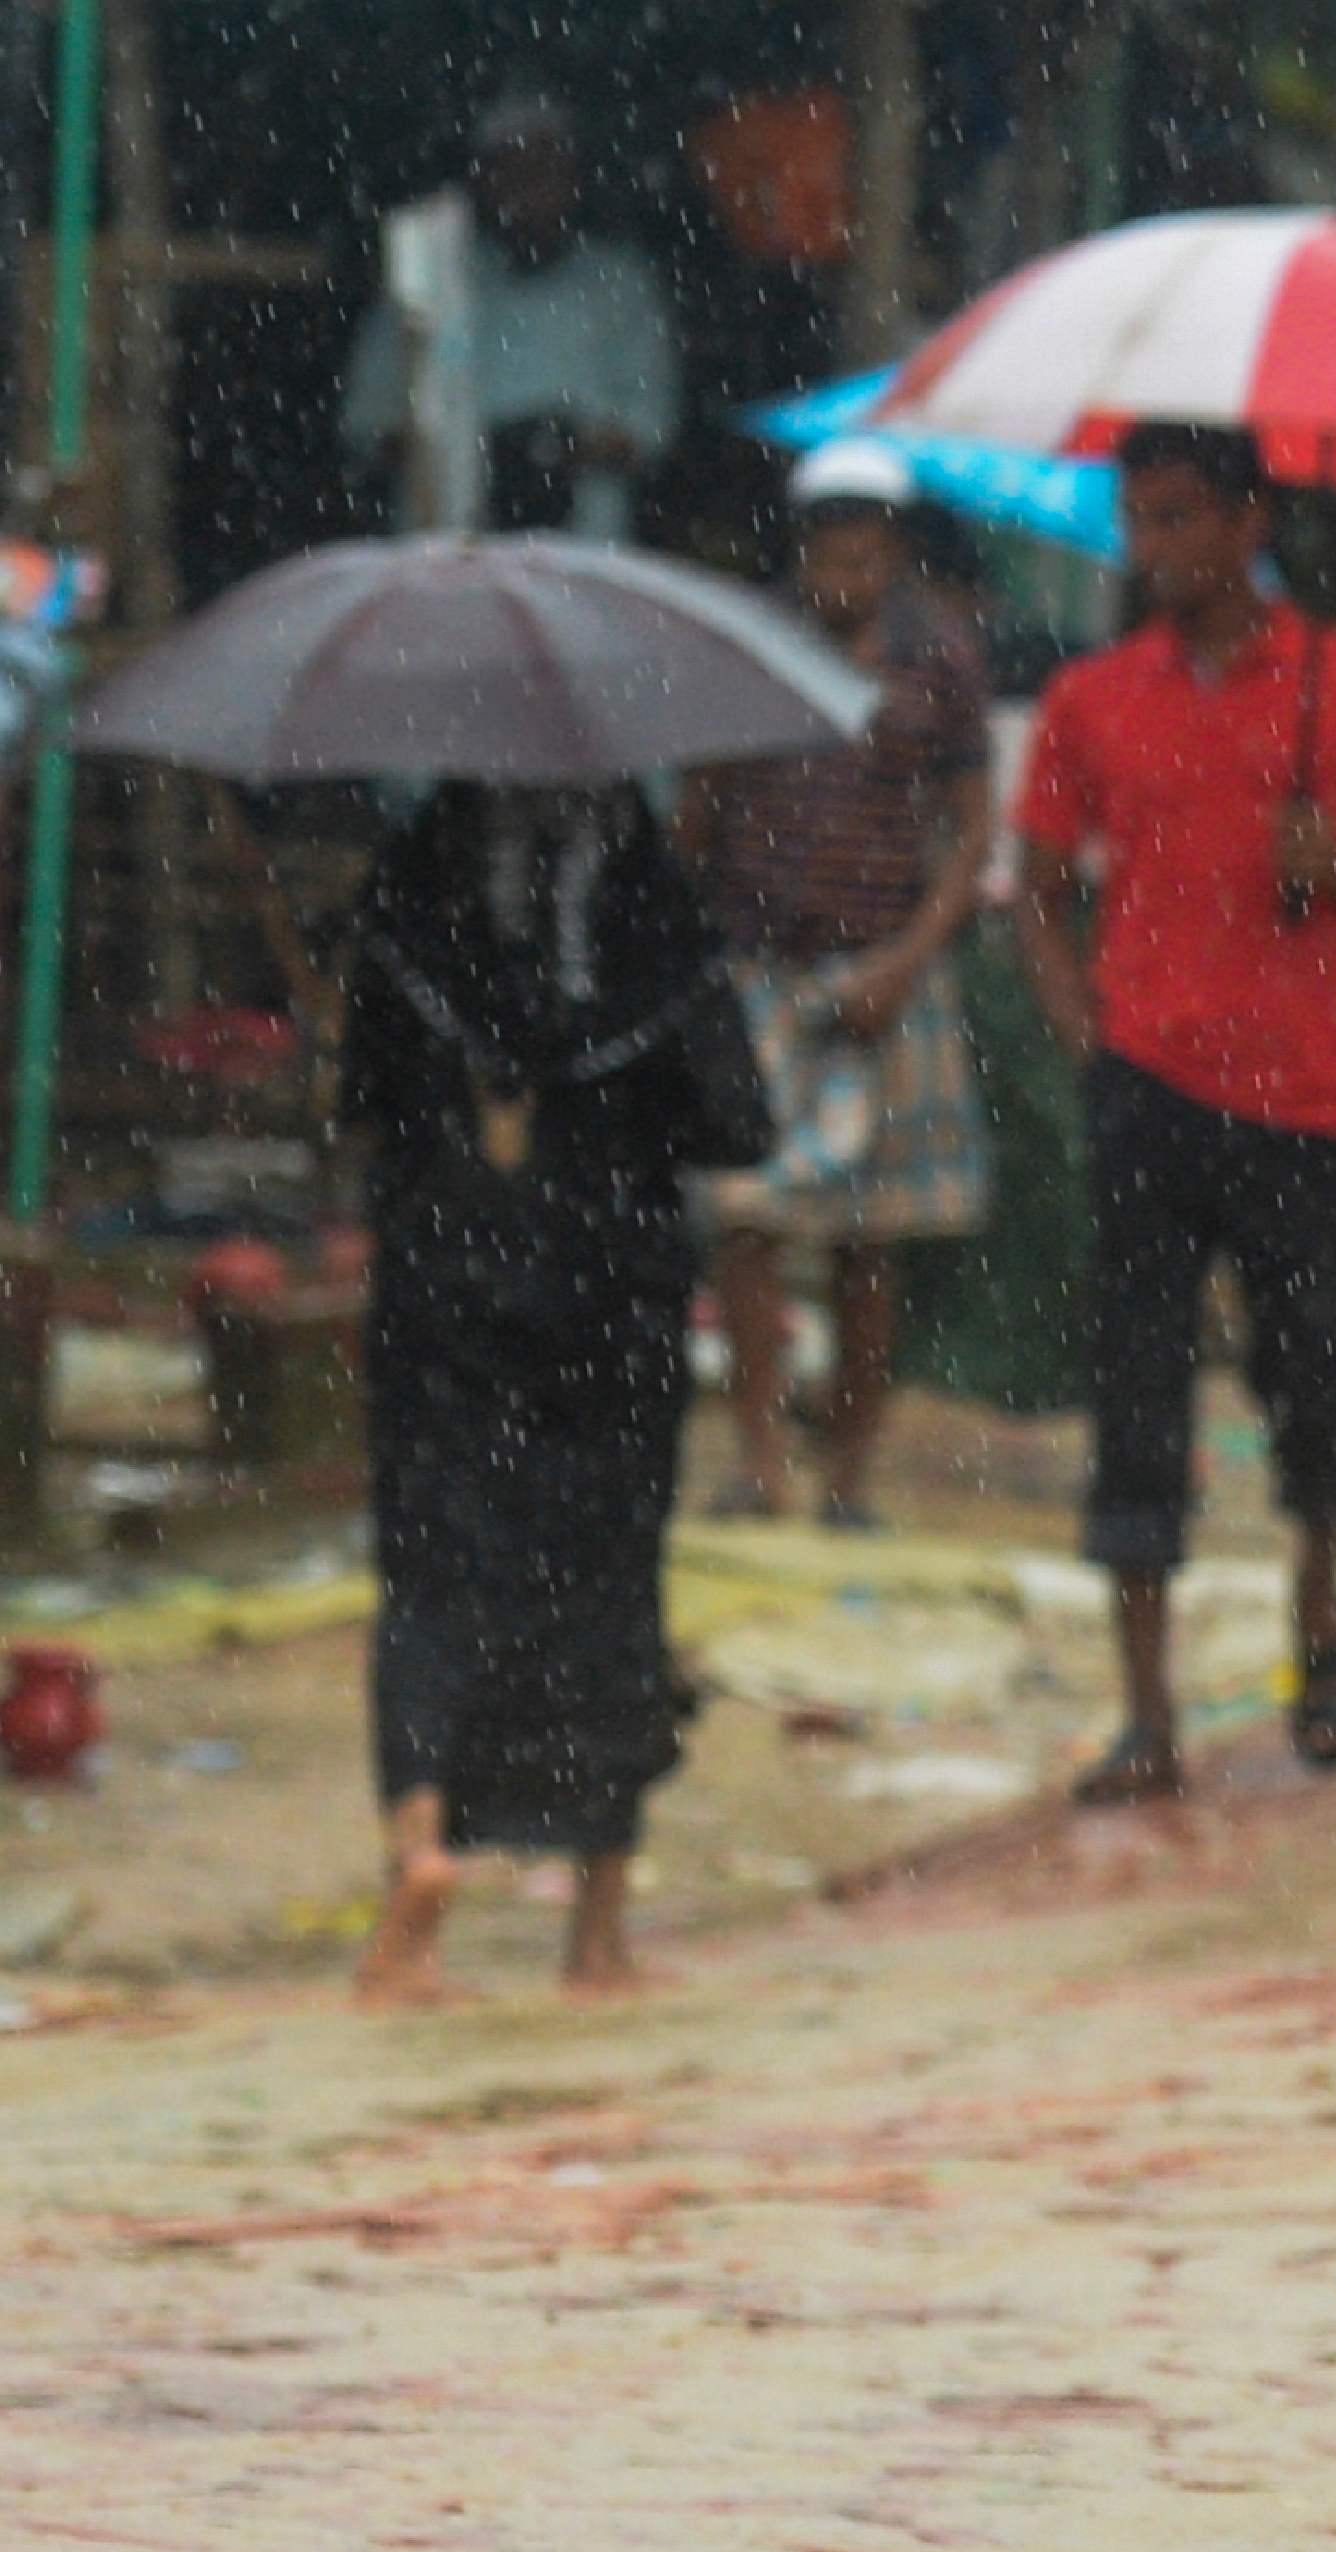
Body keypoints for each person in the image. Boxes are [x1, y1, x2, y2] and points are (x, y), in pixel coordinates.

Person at [1014, 423, 1336, 1803]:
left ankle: (1319, 1601)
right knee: (1134, 1390)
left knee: (1318, 1376)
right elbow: (1034, 881)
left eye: (1182, 520)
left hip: (1307, 1097)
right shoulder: (1092, 699)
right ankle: (1146, 1711)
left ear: (1248, 520)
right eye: (1139, 524)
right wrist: (1087, 1033)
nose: (1157, 552)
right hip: (1148, 1087)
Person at [341, 782, 772, 2002]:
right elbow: (738, 1120)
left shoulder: (409, 894)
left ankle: (418, 1864)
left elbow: (362, 1103)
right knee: (605, 1578)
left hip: (444, 1274)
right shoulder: (654, 913)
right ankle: (596, 1927)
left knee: (431, 1568)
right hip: (612, 1290)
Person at [683, 437, 995, 1528]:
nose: (843, 582)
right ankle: (760, 1457)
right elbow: (701, 808)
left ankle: (850, 1471)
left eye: (863, 561)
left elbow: (970, 831)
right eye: (828, 558)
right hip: (762, 963)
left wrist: (909, 958)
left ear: (895, 553)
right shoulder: (754, 644)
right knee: (747, 1224)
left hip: (888, 969)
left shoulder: (940, 658)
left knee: (873, 1238)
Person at [340, 88, 680, 541]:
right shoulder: (432, 281)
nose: (530, 188)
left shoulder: (620, 283)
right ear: (483, 180)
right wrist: (474, 454)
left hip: (584, 553)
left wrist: (556, 450)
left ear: (574, 178)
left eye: (545, 170)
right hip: (448, 551)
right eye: (512, 171)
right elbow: (369, 425)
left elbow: (651, 428)